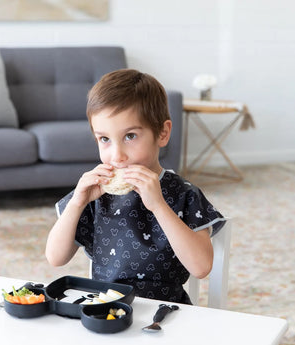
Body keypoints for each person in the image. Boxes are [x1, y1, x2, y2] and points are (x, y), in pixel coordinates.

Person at [45, 69, 226, 304]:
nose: (117, 156)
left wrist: (159, 206)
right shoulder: (96, 195)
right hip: (106, 309)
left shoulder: (185, 194)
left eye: (130, 136)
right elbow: (55, 257)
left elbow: (201, 267)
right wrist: (77, 203)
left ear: (162, 133)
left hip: (166, 311)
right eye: (104, 139)